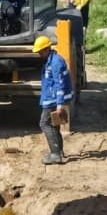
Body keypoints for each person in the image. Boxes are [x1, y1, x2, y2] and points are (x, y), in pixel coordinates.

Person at [34, 34, 73, 165]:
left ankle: (55, 154)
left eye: (40, 51)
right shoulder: (50, 60)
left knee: (44, 123)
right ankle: (59, 152)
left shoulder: (56, 62)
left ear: (46, 49)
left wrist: (60, 104)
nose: (39, 54)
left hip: (54, 99)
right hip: (51, 97)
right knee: (54, 125)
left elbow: (59, 83)